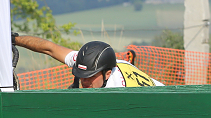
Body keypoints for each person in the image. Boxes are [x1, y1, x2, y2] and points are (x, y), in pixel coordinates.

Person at [13, 36, 163, 88]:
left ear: (108, 73)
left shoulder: (115, 88)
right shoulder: (91, 61)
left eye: (90, 76)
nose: (84, 80)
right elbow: (50, 48)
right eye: (82, 74)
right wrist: (13, 39)